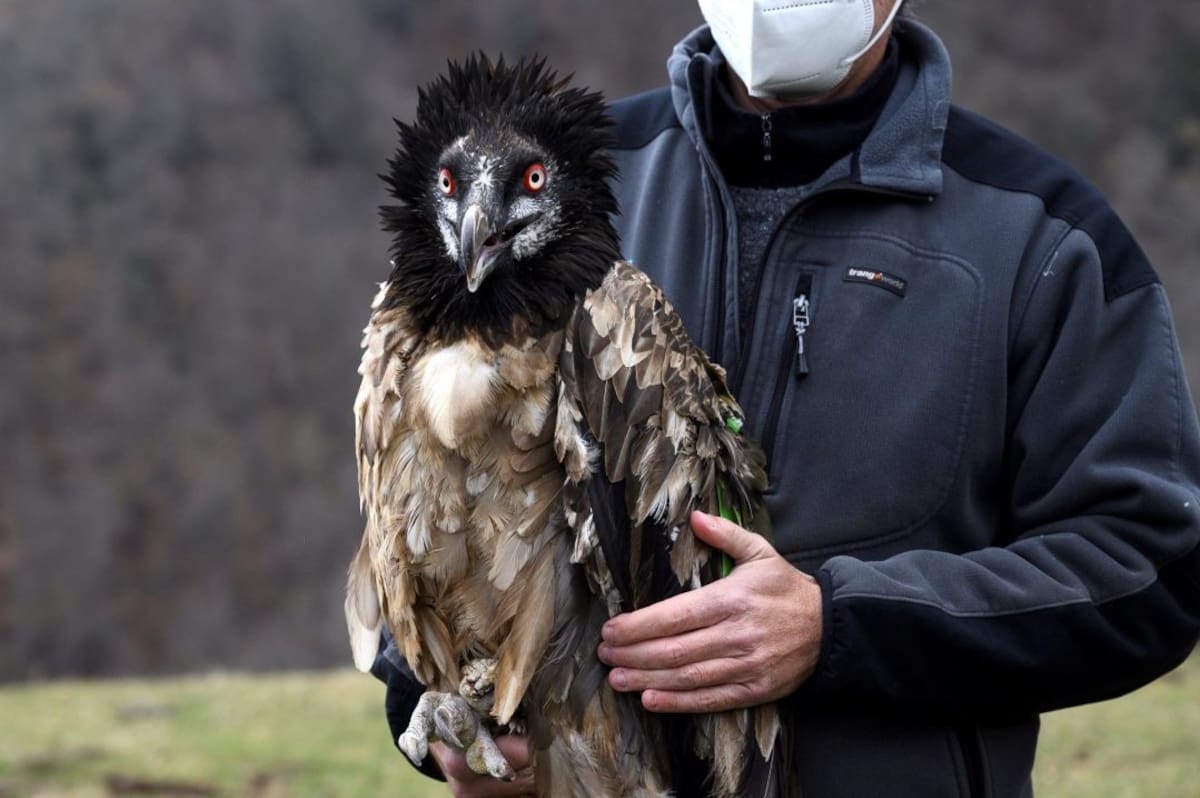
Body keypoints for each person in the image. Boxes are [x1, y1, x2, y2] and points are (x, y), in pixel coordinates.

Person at [374, 1, 1200, 795]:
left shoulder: (1042, 237)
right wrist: (441, 717)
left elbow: (1150, 570)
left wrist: (841, 627)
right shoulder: (561, 177)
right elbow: (430, 502)